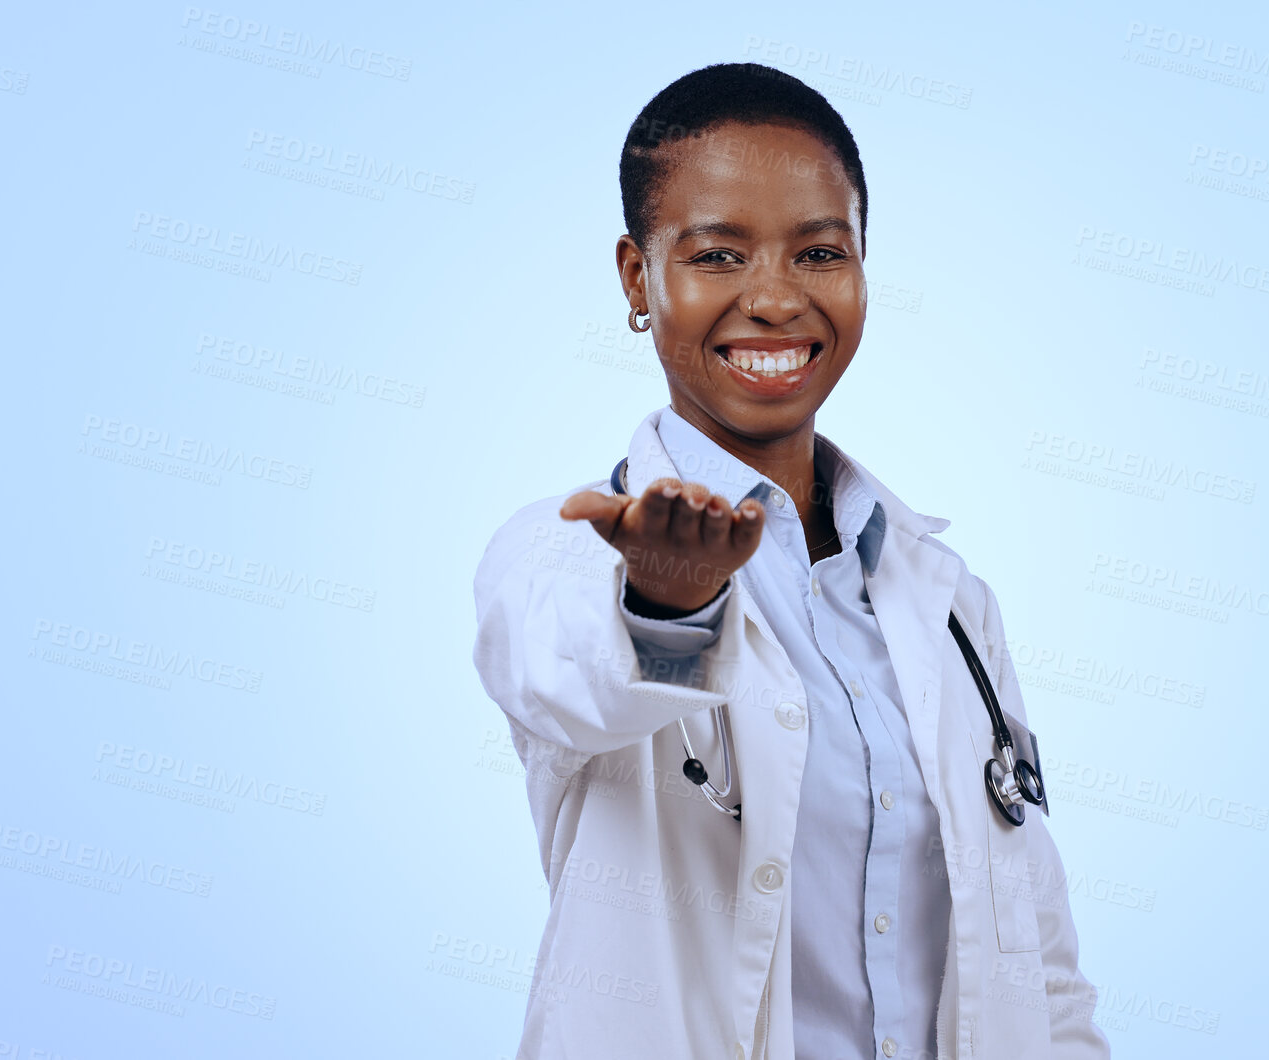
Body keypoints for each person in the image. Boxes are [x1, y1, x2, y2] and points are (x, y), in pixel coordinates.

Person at [472, 62, 1110, 1060]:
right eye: (718, 255)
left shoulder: (946, 603)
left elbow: (1035, 953)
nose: (774, 299)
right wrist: (668, 604)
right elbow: (569, 681)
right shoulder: (559, 554)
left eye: (819, 252)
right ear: (639, 279)